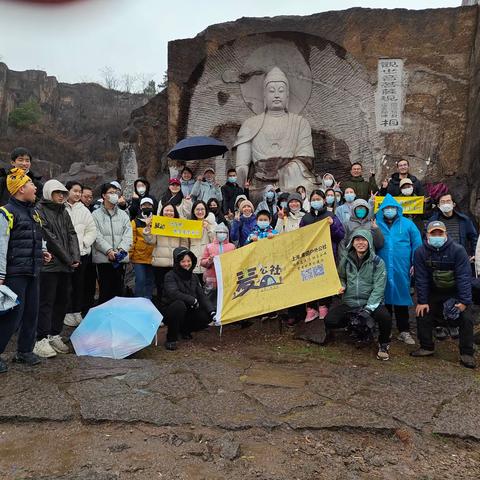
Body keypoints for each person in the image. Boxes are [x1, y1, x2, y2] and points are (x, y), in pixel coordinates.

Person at [0, 168, 48, 372]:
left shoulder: (33, 212)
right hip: (14, 272)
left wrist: (44, 251)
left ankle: (25, 351)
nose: (35, 187)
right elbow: (1, 245)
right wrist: (1, 274)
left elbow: (38, 236)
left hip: (33, 269)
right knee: (11, 315)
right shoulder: (5, 213)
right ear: (20, 189)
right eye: (30, 184)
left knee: (31, 311)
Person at [412, 221, 476, 368]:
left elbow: (464, 277)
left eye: (440, 233)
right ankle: (426, 347)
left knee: (466, 317)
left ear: (445, 234)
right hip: (433, 291)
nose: (436, 236)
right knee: (422, 312)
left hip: (455, 291)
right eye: (433, 233)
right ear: (427, 235)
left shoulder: (458, 250)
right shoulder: (420, 252)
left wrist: (464, 301)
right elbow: (420, 278)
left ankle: (466, 353)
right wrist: (422, 301)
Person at [326, 230, 392, 361]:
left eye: (364, 240)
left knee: (385, 317)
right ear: (352, 242)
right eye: (357, 240)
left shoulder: (377, 262)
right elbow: (341, 277)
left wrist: (368, 309)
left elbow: (379, 288)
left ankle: (383, 344)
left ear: (369, 243)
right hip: (350, 302)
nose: (360, 243)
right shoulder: (346, 260)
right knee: (330, 320)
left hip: (370, 302)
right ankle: (355, 328)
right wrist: (342, 286)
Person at [35, 180, 80, 358]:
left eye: (63, 193)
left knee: (62, 300)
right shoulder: (39, 210)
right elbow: (49, 237)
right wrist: (69, 259)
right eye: (57, 192)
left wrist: (75, 256)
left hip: (65, 265)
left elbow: (72, 234)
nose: (61, 195)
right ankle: (41, 338)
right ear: (48, 193)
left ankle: (54, 333)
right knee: (46, 302)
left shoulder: (64, 211)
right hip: (49, 265)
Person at [376, 194, 422, 345]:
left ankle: (404, 331)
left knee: (402, 299)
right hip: (382, 268)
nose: (389, 210)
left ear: (397, 209)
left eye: (392, 208)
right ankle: (386, 330)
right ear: (382, 210)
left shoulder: (408, 224)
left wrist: (415, 263)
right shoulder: (376, 224)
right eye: (386, 208)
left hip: (402, 268)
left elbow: (417, 245)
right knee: (385, 300)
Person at [299, 190, 345, 323]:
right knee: (309, 280)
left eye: (318, 199)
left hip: (327, 255)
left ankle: (324, 306)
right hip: (310, 256)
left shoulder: (331, 216)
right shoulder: (306, 218)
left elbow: (340, 235)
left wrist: (333, 225)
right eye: (313, 199)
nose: (316, 201)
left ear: (324, 200)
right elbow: (300, 237)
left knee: (324, 280)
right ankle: (311, 308)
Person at [160, 247, 216, 350]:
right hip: (171, 310)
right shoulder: (170, 276)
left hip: (189, 308)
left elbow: (202, 296)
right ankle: (171, 338)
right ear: (177, 262)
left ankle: (185, 330)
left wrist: (212, 311)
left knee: (206, 314)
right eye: (183, 261)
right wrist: (192, 300)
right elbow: (173, 293)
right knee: (179, 305)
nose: (186, 264)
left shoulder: (193, 276)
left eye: (189, 261)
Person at [92, 183, 133, 304]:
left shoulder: (123, 214)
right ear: (104, 195)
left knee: (118, 290)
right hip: (104, 259)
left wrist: (121, 250)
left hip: (120, 259)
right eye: (110, 192)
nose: (114, 195)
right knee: (105, 291)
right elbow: (96, 236)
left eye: (115, 192)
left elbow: (128, 234)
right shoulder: (95, 215)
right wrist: (108, 250)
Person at [63, 181, 97, 327]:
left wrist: (83, 244)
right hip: (64, 254)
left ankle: (76, 311)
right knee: (66, 284)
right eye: (74, 191)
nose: (77, 194)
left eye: (79, 191)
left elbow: (92, 230)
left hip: (82, 253)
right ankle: (67, 312)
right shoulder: (61, 208)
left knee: (79, 283)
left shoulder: (84, 210)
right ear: (67, 191)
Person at [143, 203, 188, 300]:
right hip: (160, 265)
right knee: (161, 290)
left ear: (175, 212)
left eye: (171, 211)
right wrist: (147, 227)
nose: (169, 212)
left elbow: (184, 243)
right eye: (166, 210)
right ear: (162, 212)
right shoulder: (157, 224)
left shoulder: (180, 224)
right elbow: (150, 241)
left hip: (175, 265)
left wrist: (182, 258)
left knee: (176, 291)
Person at [428, 193, 477, 261]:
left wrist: (474, 254)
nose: (446, 204)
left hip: (461, 258)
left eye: (448, 201)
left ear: (453, 204)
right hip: (439, 259)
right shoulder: (433, 221)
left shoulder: (464, 220)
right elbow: (426, 239)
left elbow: (474, 238)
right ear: (438, 206)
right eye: (443, 202)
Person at [129, 198, 155, 299]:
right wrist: (130, 255)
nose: (147, 207)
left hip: (153, 257)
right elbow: (132, 240)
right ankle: (138, 301)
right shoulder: (135, 221)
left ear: (152, 207)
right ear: (140, 207)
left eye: (149, 205)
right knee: (140, 280)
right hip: (139, 257)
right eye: (144, 205)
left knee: (150, 281)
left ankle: (148, 301)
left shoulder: (157, 221)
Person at [200, 222, 236, 295]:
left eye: (224, 232)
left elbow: (236, 261)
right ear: (215, 234)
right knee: (211, 299)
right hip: (212, 278)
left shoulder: (232, 246)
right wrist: (209, 261)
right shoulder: (209, 246)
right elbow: (202, 262)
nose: (222, 234)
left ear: (227, 234)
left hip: (227, 278)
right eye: (219, 232)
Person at [188, 200, 216, 281]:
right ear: (193, 211)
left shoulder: (212, 224)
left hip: (207, 260)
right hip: (193, 260)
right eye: (197, 209)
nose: (200, 212)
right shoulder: (190, 224)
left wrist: (208, 228)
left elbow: (215, 241)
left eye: (202, 209)